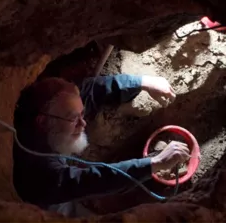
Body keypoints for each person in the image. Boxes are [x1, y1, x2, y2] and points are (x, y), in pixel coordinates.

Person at [12, 74, 190, 218]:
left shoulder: (54, 110)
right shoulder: (39, 172)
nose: (83, 124)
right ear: (42, 122)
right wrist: (154, 163)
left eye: (82, 114)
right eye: (74, 119)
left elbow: (92, 90)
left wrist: (142, 82)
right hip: (46, 206)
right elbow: (94, 180)